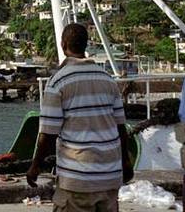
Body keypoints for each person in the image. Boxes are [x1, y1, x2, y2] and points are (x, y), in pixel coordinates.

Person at [26, 23, 133, 212]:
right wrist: (125, 162)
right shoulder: (108, 80)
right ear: (85, 45)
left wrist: (36, 166)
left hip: (78, 179)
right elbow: (120, 128)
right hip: (109, 177)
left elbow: (48, 135)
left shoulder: (58, 82)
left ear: (63, 44)